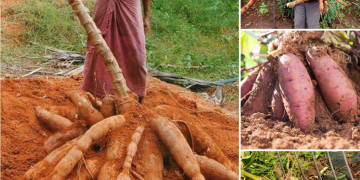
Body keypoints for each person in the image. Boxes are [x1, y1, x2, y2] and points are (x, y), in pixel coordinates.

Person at [82, 0, 151, 104]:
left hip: (129, 5)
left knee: (137, 53)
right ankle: (96, 98)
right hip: (105, 3)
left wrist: (146, 16)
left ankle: (138, 103)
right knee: (98, 46)